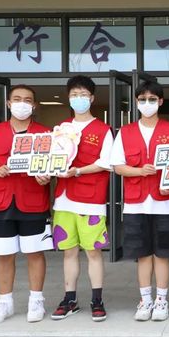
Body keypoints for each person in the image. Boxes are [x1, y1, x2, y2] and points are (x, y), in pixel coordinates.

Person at [0, 84, 53, 325]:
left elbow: (55, 165)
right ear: (9, 104)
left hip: (34, 201)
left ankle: (36, 301)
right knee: (4, 254)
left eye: (27, 100)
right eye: (17, 99)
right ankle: (4, 303)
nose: (22, 104)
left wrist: (47, 175)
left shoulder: (45, 133)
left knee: (34, 252)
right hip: (2, 202)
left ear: (34, 105)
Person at [111, 80, 169, 322]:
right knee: (142, 254)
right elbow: (118, 166)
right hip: (136, 202)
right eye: (142, 99)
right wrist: (139, 171)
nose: (147, 103)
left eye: (152, 99)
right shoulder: (125, 132)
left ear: (160, 102)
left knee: (162, 253)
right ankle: (145, 300)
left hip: (165, 201)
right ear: (136, 102)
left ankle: (162, 299)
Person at [51, 75, 114, 322]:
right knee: (68, 251)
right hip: (63, 199)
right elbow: (50, 158)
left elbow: (106, 163)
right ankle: (70, 299)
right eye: (74, 95)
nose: (79, 99)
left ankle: (97, 299)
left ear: (92, 98)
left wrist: (78, 170)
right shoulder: (60, 129)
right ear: (68, 98)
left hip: (91, 199)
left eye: (83, 95)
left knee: (93, 252)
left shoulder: (103, 130)